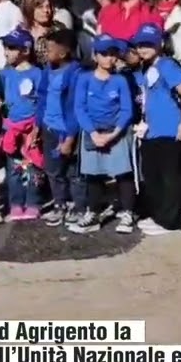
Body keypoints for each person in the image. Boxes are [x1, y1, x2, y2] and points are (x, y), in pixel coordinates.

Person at [129, 23, 181, 235]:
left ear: (160, 44)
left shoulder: (167, 66)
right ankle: (159, 215)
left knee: (169, 176)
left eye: (148, 44)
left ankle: (170, 220)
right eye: (140, 44)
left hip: (170, 130)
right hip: (151, 131)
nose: (143, 48)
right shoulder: (146, 68)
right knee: (153, 175)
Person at [69, 34, 136, 235]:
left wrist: (113, 134)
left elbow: (126, 110)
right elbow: (80, 108)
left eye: (112, 54)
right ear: (95, 56)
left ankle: (128, 212)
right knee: (93, 175)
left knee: (123, 174)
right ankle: (93, 213)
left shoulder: (120, 81)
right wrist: (93, 132)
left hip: (117, 133)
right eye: (103, 54)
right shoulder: (84, 79)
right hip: (93, 132)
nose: (108, 58)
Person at [0, 28, 46, 221]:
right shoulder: (4, 73)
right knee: (14, 170)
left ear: (25, 50)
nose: (6, 52)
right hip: (11, 129)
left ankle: (34, 204)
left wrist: (37, 127)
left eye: (10, 48)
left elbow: (42, 102)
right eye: (5, 47)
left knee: (34, 169)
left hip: (31, 130)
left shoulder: (38, 74)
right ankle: (16, 204)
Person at [39, 29, 84, 227]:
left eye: (49, 49)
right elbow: (41, 99)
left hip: (67, 131)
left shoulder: (76, 74)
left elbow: (76, 108)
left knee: (73, 172)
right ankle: (60, 204)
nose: (45, 52)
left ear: (63, 52)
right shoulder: (46, 71)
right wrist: (37, 126)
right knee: (53, 170)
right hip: (49, 129)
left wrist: (70, 138)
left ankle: (77, 206)